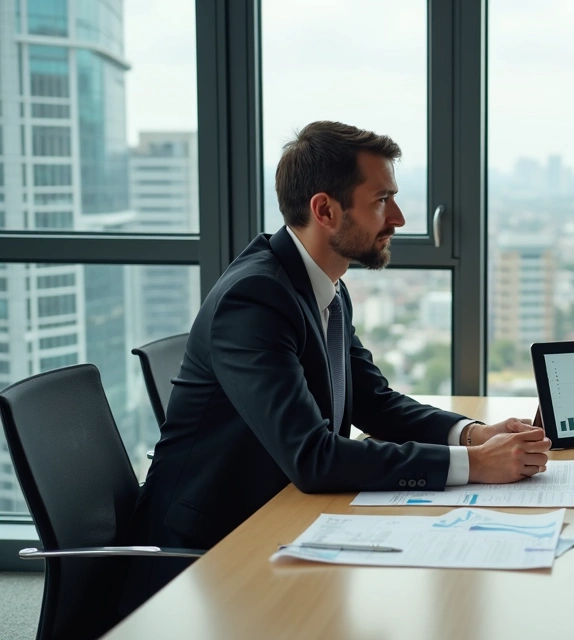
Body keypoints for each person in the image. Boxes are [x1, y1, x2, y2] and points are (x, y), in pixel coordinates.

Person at [123, 121, 550, 604]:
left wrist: (473, 434)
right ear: (325, 210)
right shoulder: (255, 299)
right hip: (206, 560)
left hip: (278, 521)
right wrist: (473, 465)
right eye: (381, 201)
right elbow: (313, 458)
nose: (400, 218)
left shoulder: (324, 287)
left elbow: (375, 402)